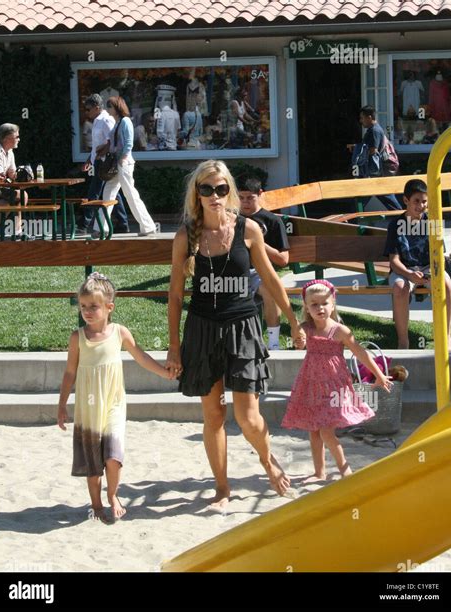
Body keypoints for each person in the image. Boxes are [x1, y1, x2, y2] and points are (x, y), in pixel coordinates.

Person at [165, 160, 306, 509]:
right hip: (202, 328)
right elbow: (175, 293)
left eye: (221, 189)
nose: (215, 196)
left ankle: (266, 458)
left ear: (229, 191)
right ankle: (222, 489)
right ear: (196, 194)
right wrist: (173, 348)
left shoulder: (249, 229)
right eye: (207, 189)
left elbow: (272, 279)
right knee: (214, 415)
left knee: (248, 418)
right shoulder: (186, 235)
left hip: (243, 325)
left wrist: (294, 320)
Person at [58, 272, 174, 523]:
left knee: (113, 457)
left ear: (110, 307)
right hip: (88, 410)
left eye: (94, 306)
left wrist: (164, 373)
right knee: (92, 464)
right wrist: (61, 405)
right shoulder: (77, 338)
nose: (87, 311)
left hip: (113, 405)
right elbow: (69, 373)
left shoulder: (119, 333)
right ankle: (96, 504)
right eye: (83, 306)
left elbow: (141, 356)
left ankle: (113, 495)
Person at [282, 279, 392, 484]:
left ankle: (345, 470)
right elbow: (298, 344)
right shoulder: (306, 328)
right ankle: (319, 472)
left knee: (326, 430)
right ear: (306, 306)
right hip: (311, 384)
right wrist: (298, 339)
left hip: (334, 386)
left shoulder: (340, 330)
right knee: (314, 430)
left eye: (324, 303)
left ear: (333, 303)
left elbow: (360, 352)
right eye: (314, 304)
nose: (320, 308)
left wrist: (379, 374)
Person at [383, 179, 451, 349]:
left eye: (424, 201)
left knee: (446, 283)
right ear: (406, 201)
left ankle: (446, 334)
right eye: (416, 201)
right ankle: (403, 340)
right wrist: (409, 275)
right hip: (404, 270)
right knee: (400, 288)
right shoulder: (396, 225)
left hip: (428, 268)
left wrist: (433, 271)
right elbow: (394, 261)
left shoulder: (432, 223)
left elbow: (439, 254)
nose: (421, 206)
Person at [237, 175, 290, 350]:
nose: (245, 202)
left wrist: (257, 241)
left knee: (271, 289)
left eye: (250, 198)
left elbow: (283, 260)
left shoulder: (273, 221)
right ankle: (238, 343)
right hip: (234, 273)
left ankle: (273, 343)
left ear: (260, 194)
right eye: (241, 197)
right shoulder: (230, 219)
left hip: (261, 273)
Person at [97, 96, 156, 236]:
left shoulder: (125, 122)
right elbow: (112, 143)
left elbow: (129, 143)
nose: (107, 109)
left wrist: (122, 158)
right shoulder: (118, 123)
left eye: (110, 106)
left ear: (117, 108)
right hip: (117, 164)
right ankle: (101, 228)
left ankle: (147, 226)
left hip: (123, 164)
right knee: (108, 193)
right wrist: (102, 149)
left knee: (130, 194)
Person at [78, 94, 130, 236]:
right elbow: (97, 145)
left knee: (94, 192)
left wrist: (102, 157)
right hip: (98, 161)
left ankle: (83, 224)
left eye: (88, 109)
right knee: (113, 193)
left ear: (97, 107)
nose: (87, 112)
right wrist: (90, 159)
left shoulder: (106, 120)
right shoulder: (96, 121)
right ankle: (123, 222)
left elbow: (112, 142)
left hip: (105, 162)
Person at [357, 106, 402, 211]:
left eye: (362, 118)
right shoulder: (375, 129)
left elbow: (373, 151)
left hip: (375, 172)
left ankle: (401, 216)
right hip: (376, 173)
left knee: (381, 194)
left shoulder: (374, 131)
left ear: (369, 117)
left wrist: (360, 151)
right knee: (375, 194)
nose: (361, 121)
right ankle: (400, 215)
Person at [0, 123, 27, 237]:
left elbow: (12, 175)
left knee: (6, 202)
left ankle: (17, 232)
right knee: (21, 195)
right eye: (17, 137)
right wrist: (12, 179)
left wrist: (24, 174)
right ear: (6, 139)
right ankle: (17, 232)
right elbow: (0, 179)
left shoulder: (9, 152)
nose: (19, 139)